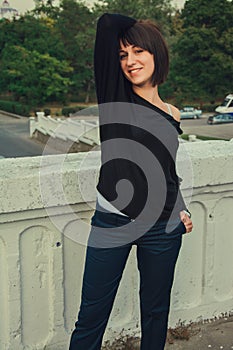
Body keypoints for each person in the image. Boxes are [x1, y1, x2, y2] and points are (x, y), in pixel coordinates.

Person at [69, 13, 193, 350]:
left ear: (157, 55)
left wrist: (180, 209)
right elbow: (106, 23)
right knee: (91, 317)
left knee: (156, 312)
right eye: (123, 54)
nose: (130, 61)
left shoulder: (172, 112)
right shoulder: (115, 98)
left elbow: (166, 169)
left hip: (163, 226)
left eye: (139, 51)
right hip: (113, 222)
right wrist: (139, 24)